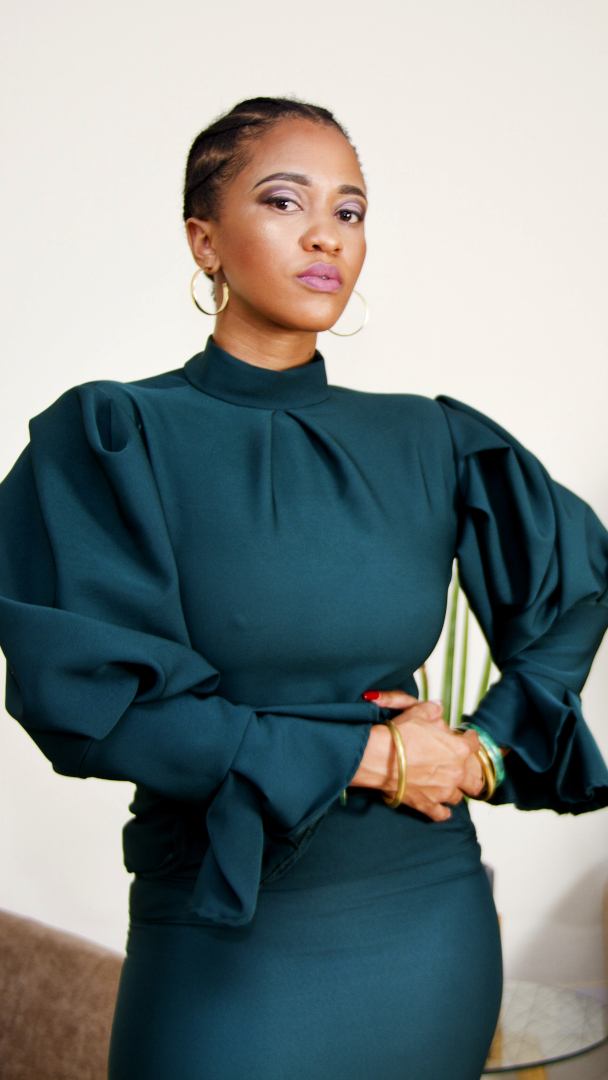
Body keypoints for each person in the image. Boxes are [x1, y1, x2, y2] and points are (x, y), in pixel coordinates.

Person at [1, 97, 607, 1080]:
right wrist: (369, 756)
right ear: (204, 240)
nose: (326, 234)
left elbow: (578, 585)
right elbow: (94, 709)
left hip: (425, 921)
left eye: (349, 210)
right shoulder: (110, 439)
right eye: (284, 201)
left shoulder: (427, 437)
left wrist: (485, 748)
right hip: (230, 926)